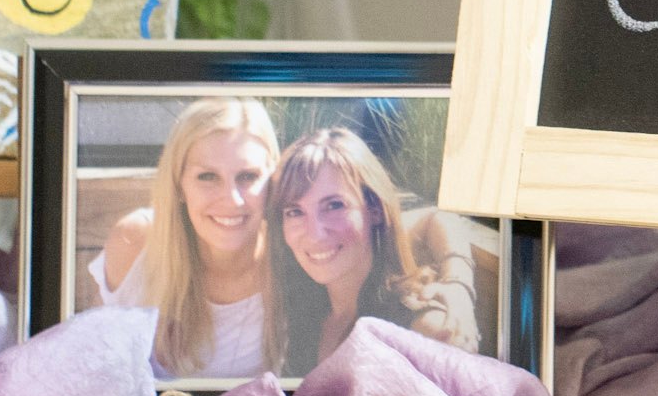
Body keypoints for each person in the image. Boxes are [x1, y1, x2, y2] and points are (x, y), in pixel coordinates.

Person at [89, 97, 284, 379]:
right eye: (207, 176)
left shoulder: (296, 262)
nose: (232, 199)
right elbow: (95, 368)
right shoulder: (134, 244)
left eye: (248, 176)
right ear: (179, 185)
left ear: (272, 181)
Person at [267, 126, 480, 371]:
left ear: (375, 209)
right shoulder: (306, 310)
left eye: (335, 205)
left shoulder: (424, 329)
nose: (314, 234)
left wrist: (459, 285)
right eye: (295, 212)